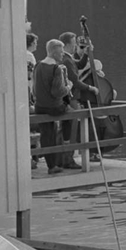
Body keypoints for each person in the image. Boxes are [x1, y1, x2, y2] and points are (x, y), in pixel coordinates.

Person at [57, 32, 97, 169]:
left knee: (67, 130)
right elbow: (75, 82)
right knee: (71, 129)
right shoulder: (66, 60)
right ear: (68, 44)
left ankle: (64, 158)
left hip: (69, 97)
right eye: (74, 43)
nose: (75, 46)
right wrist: (90, 88)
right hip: (71, 98)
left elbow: (79, 65)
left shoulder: (67, 58)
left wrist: (85, 53)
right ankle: (68, 159)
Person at [32, 39, 73, 174]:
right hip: (54, 107)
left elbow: (34, 90)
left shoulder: (37, 65)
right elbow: (57, 92)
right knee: (73, 115)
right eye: (61, 52)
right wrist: (68, 87)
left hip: (39, 107)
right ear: (55, 52)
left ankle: (52, 166)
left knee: (47, 134)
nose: (63, 55)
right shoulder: (56, 69)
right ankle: (67, 146)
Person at [24, 32, 39, 168]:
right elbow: (30, 76)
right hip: (28, 92)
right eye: (35, 42)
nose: (36, 45)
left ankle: (34, 156)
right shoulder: (29, 56)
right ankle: (34, 156)